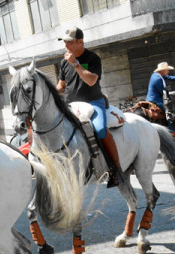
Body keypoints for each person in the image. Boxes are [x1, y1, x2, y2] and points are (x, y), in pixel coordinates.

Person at [56, 26, 122, 188]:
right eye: (64, 42)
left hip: (93, 102)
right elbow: (61, 86)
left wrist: (76, 64)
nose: (66, 46)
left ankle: (116, 169)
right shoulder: (64, 62)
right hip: (71, 105)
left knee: (99, 129)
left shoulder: (92, 58)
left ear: (80, 42)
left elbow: (91, 81)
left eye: (70, 42)